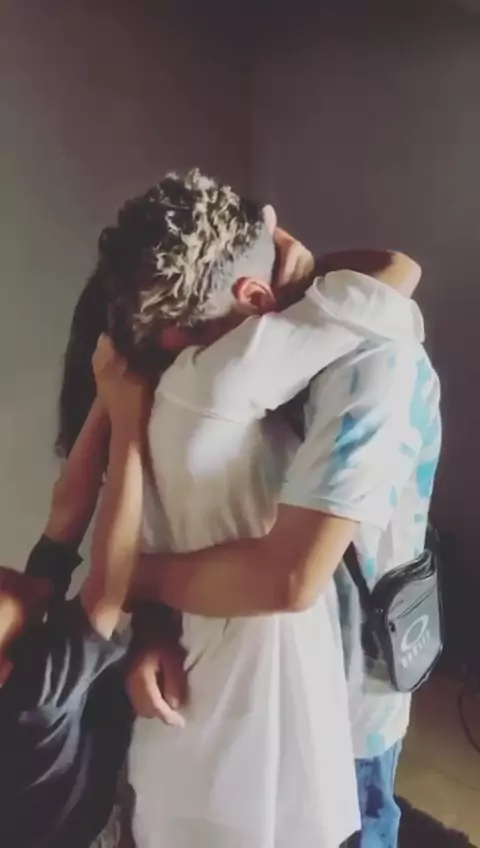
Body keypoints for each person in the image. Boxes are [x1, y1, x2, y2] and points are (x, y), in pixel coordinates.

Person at [0, 170, 427, 847]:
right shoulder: (219, 380)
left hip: (188, 746)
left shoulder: (166, 395)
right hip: (266, 734)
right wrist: (300, 273)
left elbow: (66, 520)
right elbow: (397, 271)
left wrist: (114, 408)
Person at [0, 338, 152, 848]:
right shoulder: (29, 702)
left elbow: (63, 522)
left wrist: (106, 398)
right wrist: (129, 420)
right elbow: (108, 585)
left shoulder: (17, 638)